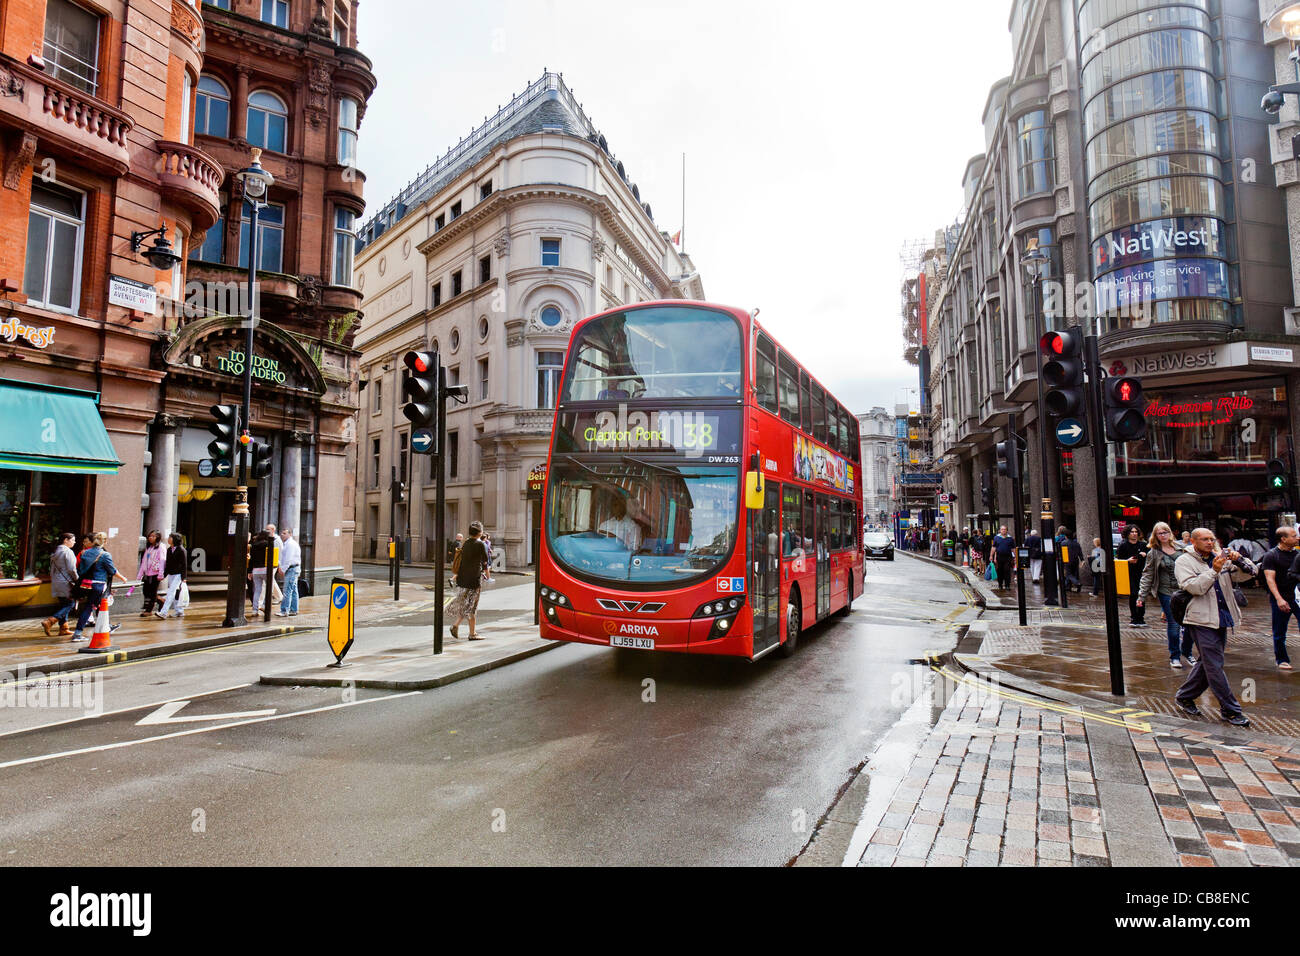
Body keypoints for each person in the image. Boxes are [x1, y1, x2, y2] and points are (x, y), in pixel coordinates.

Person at [1174, 528, 1257, 727]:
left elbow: (1250, 574)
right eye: (1204, 539)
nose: (1210, 542)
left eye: (1212, 539)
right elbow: (1194, 587)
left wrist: (1239, 560)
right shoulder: (1184, 562)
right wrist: (1214, 571)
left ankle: (1185, 696)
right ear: (1193, 541)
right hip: (1200, 618)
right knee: (1214, 665)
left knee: (1208, 662)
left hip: (1222, 617)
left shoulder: (1220, 557)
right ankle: (1231, 710)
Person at [1137, 522, 1194, 667]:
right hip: (1166, 592)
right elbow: (1147, 575)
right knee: (1174, 624)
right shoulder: (1153, 553)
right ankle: (1174, 656)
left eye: (1165, 532)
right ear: (1155, 536)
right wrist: (1141, 596)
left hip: (1185, 590)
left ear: (1170, 533)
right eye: (1159, 533)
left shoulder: (1183, 549)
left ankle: (1187, 652)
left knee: (1190, 623)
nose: (1163, 535)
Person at [71, 532, 128, 642]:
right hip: (98, 584)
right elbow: (112, 570)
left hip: (85, 584)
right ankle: (78, 633)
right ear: (105, 541)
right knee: (90, 607)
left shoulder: (85, 553)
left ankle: (107, 626)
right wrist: (123, 578)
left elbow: (81, 569)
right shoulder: (105, 555)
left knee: (97, 606)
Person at [1260, 526, 1298, 671]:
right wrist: (1279, 599)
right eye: (1293, 536)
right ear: (1283, 539)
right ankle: (1281, 659)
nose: (1297, 538)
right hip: (1281, 597)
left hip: (1298, 597)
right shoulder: (1271, 555)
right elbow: (1270, 579)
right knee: (1279, 630)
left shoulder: (1297, 554)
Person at [448, 521, 489, 640]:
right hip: (474, 579)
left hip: (463, 578)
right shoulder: (481, 544)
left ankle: (456, 626)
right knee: (472, 606)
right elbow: (485, 561)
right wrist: (486, 572)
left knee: (466, 604)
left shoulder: (465, 543)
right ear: (480, 532)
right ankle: (472, 634)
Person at [43, 533, 79, 637]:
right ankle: (50, 621)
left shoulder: (56, 551)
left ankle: (64, 628)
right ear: (65, 540)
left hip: (56, 581)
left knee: (64, 604)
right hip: (66, 581)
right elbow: (72, 569)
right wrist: (77, 580)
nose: (74, 542)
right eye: (73, 540)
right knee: (70, 604)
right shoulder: (68, 552)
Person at [1116, 525, 1148, 626]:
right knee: (1134, 595)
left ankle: (1140, 617)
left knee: (1141, 595)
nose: (1134, 534)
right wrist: (1127, 561)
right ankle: (1134, 616)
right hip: (1129, 573)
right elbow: (1119, 561)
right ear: (1127, 534)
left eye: (1136, 532)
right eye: (1132, 532)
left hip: (1141, 573)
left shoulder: (1143, 545)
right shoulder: (1123, 546)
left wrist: (1145, 555)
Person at [156, 533, 188, 619]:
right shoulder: (169, 550)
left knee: (171, 592)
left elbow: (184, 565)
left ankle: (163, 612)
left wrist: (184, 577)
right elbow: (168, 564)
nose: (168, 539)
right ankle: (179, 611)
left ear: (175, 539)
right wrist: (164, 575)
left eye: (170, 537)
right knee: (175, 593)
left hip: (178, 575)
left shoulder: (182, 550)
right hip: (171, 574)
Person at [136, 530, 166, 618]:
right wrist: (140, 574)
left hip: (156, 573)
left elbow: (162, 561)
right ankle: (161, 601)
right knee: (146, 591)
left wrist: (161, 574)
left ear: (158, 537)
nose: (150, 538)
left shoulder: (161, 547)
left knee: (152, 592)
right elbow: (144, 561)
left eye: (153, 536)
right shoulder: (149, 547)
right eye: (150, 536)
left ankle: (149, 610)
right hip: (147, 573)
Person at [249, 523, 276, 616]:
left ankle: (255, 610)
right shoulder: (268, 544)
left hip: (256, 570)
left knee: (257, 590)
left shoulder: (254, 545)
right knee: (269, 588)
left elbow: (251, 559)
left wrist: (249, 571)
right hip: (265, 569)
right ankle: (266, 607)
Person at [276, 528, 302, 617]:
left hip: (291, 569)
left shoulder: (290, 544)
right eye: (281, 533)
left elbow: (288, 559)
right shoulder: (288, 544)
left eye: (284, 533)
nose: (282, 535)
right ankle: (294, 610)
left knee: (287, 590)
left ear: (290, 534)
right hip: (293, 569)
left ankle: (284, 611)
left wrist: (283, 569)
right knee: (293, 590)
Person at [992, 525, 1015, 591]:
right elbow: (994, 547)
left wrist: (1015, 557)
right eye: (1002, 529)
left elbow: (1013, 548)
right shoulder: (996, 538)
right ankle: (1000, 584)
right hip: (999, 556)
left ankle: (1007, 585)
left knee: (1007, 570)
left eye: (1005, 529)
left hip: (1008, 557)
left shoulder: (1010, 538)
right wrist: (992, 556)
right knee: (1000, 571)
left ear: (1007, 530)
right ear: (1000, 530)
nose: (1003, 530)